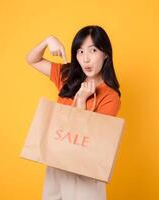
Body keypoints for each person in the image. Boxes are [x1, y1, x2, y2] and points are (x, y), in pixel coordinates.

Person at [25, 25, 121, 200]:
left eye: (93, 50)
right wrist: (49, 39)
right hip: (56, 166)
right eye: (80, 52)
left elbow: (88, 140)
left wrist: (81, 101)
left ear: (105, 54)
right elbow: (32, 60)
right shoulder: (68, 76)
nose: (86, 59)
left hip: (84, 174)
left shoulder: (110, 96)